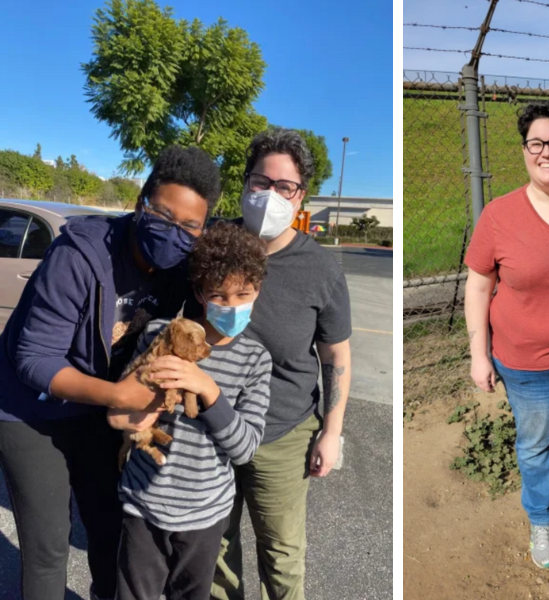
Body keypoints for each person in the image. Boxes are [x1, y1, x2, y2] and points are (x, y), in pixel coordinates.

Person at [0, 145, 218, 600]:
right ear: (140, 204)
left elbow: (222, 293)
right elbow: (32, 358)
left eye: (189, 227)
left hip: (98, 406)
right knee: (48, 549)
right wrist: (120, 397)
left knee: (109, 532)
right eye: (162, 215)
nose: (173, 234)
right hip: (31, 410)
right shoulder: (79, 254)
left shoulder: (179, 267)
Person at [211, 129, 353, 600]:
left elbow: (335, 355)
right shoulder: (215, 245)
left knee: (281, 552)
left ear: (300, 197)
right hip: (209, 425)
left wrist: (331, 432)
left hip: (281, 435)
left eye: (284, 187)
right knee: (213, 547)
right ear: (245, 183)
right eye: (260, 181)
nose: (269, 195)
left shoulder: (320, 269)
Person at [463, 100, 549, 569]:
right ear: (524, 150)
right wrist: (478, 355)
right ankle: (541, 520)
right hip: (525, 364)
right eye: (536, 143)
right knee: (536, 445)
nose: (547, 152)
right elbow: (480, 286)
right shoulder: (500, 215)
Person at [108, 221, 271, 600]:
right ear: (199, 291)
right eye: (219, 295)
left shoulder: (256, 359)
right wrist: (144, 400)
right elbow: (119, 411)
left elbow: (246, 448)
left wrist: (209, 390)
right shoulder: (161, 333)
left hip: (204, 513)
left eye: (242, 294)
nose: (231, 305)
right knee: (133, 592)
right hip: (142, 503)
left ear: (257, 290)